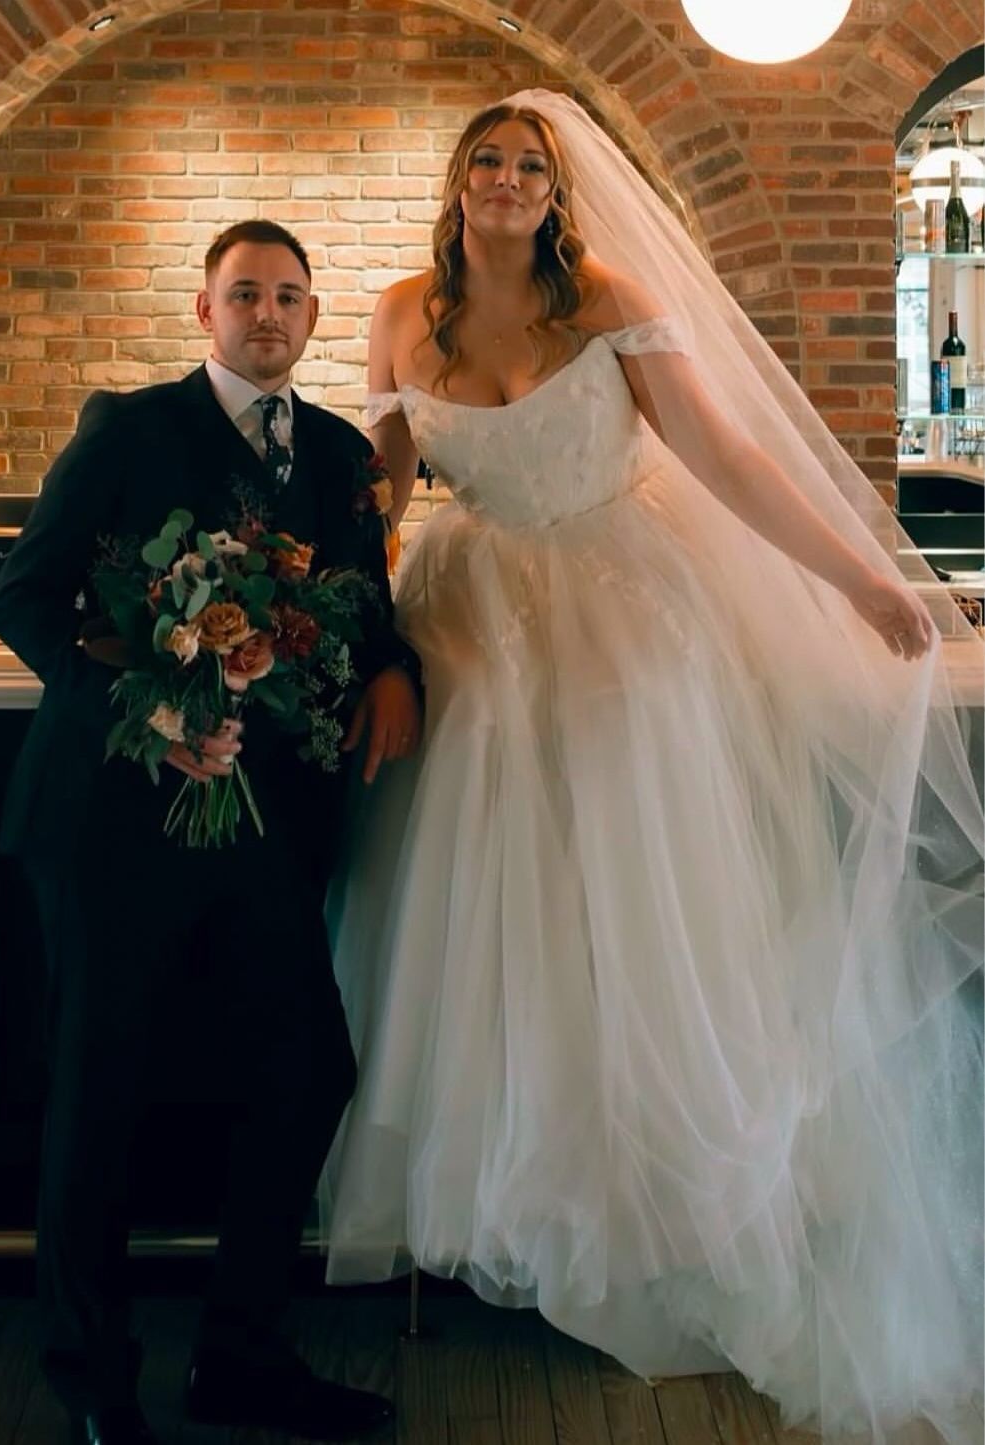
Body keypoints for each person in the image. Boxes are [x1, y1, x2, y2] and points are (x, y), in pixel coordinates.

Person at [321, 92, 984, 1443]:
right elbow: (373, 499)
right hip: (474, 636)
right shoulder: (400, 312)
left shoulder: (604, 294)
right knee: (505, 927)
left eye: (529, 167)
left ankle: (665, 1207)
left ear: (556, 196)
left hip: (627, 621)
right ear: (456, 184)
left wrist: (865, 581)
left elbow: (722, 454)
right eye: (486, 162)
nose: (506, 180)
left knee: (642, 914)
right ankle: (530, 1200)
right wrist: (316, 620)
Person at [0, 219, 420, 1445]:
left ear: (314, 318)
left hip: (263, 832)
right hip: (113, 824)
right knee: (98, 1094)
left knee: (307, 1069)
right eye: (246, 293)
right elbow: (26, 595)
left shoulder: (340, 453)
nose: (269, 314)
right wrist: (147, 707)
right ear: (205, 310)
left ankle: (238, 1354)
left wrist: (396, 673)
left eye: (291, 296)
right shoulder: (126, 428)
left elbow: (367, 609)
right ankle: (92, 1374)